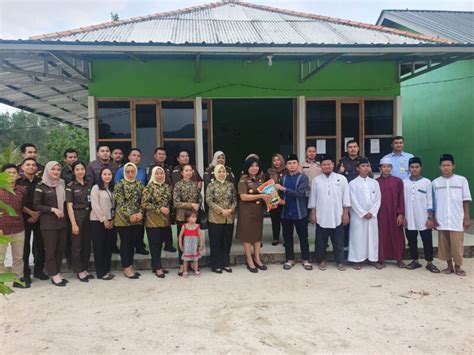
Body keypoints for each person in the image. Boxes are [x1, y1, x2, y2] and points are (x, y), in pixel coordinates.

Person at [308, 155, 350, 271]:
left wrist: (345, 214)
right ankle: (321, 260)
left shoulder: (341, 179)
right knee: (321, 241)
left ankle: (340, 261)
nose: (327, 166)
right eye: (324, 164)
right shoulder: (316, 180)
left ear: (333, 165)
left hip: (338, 215)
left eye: (329, 164)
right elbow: (313, 199)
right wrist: (313, 214)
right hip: (321, 215)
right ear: (321, 167)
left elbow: (346, 198)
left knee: (338, 241)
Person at [432, 154, 471, 276]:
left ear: (453, 166)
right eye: (443, 165)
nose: (446, 167)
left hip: (456, 218)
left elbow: (465, 200)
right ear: (440, 167)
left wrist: (467, 217)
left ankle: (458, 266)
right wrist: (433, 218)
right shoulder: (435, 183)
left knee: (457, 244)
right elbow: (432, 203)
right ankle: (449, 266)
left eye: (448, 165)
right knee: (444, 245)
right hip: (441, 218)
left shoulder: (461, 180)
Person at [33, 161, 68, 287]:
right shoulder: (41, 185)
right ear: (48, 170)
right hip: (48, 224)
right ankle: (53, 274)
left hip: (62, 222)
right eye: (53, 169)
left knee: (60, 249)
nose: (56, 172)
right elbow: (36, 205)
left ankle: (57, 271)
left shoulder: (62, 184)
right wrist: (52, 209)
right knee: (51, 250)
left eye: (58, 169)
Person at [403, 157, 440, 273]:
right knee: (412, 239)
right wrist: (403, 216)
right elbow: (401, 201)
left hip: (424, 217)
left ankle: (430, 262)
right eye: (412, 167)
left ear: (421, 168)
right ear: (409, 168)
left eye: (417, 167)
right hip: (409, 217)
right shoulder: (404, 182)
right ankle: (415, 260)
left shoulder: (427, 182)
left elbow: (431, 201)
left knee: (427, 240)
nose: (414, 169)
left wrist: (430, 218)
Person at [274, 154, 311, 271]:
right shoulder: (283, 178)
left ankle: (306, 259)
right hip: (286, 213)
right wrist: (276, 200)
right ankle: (290, 259)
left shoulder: (303, 178)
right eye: (289, 163)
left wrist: (283, 189)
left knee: (303, 237)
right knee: (287, 237)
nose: (292, 165)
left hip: (300, 213)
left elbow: (299, 194)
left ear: (298, 165)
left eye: (294, 163)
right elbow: (277, 194)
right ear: (286, 165)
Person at [236, 157, 272, 273]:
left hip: (258, 210)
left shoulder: (261, 178)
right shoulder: (243, 179)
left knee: (257, 236)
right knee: (247, 236)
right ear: (247, 167)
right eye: (251, 166)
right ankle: (249, 259)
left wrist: (272, 201)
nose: (254, 168)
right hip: (246, 211)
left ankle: (257, 258)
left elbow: (268, 192)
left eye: (256, 166)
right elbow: (243, 197)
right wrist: (261, 196)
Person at [17, 158, 48, 284]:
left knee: (40, 245)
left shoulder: (42, 182)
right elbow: (17, 202)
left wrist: (38, 213)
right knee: (24, 247)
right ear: (22, 167)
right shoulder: (18, 182)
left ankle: (39, 271)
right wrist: (31, 213)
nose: (31, 167)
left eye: (33, 165)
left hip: (40, 217)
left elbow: (46, 199)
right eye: (28, 165)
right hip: (24, 217)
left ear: (37, 168)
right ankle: (25, 274)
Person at [348, 158, 382, 270]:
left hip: (372, 216)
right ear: (358, 168)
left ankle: (372, 259)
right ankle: (356, 260)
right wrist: (363, 213)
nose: (365, 168)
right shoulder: (352, 184)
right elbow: (352, 201)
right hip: (358, 216)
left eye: (367, 166)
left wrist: (372, 212)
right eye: (363, 166)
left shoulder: (374, 182)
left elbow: (378, 199)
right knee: (357, 237)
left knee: (372, 238)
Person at [114, 148, 148, 255]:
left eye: (138, 156)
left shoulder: (142, 171)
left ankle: (139, 247)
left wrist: (140, 212)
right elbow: (118, 193)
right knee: (126, 241)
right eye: (134, 155)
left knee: (137, 234)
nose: (136, 157)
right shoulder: (121, 171)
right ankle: (127, 263)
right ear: (129, 157)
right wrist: (130, 213)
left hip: (138, 211)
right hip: (124, 213)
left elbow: (144, 192)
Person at [114, 162, 144, 279]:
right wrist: (130, 214)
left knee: (132, 243)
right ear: (124, 173)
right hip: (123, 219)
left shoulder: (139, 184)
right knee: (125, 244)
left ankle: (130, 265)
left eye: (132, 172)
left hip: (137, 218)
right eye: (128, 172)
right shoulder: (120, 184)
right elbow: (120, 202)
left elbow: (143, 200)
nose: (130, 174)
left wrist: (140, 213)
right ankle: (126, 267)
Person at [141, 166, 173, 278]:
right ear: (153, 175)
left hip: (164, 221)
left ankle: (156, 266)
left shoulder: (167, 187)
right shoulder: (148, 187)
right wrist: (159, 209)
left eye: (162, 173)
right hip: (152, 221)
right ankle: (158, 268)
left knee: (160, 244)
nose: (160, 175)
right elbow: (144, 204)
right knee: (154, 245)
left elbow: (169, 202)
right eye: (157, 174)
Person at [0, 164, 28, 288]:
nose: (11, 175)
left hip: (18, 228)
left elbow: (21, 208)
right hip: (2, 229)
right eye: (8, 173)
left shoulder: (22, 190)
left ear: (18, 175)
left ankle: (18, 279)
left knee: (18, 256)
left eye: (14, 173)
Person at [206, 164, 237, 274]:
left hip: (229, 218)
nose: (222, 174)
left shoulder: (230, 185)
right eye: (219, 172)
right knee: (216, 242)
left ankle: (225, 263)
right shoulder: (211, 185)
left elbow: (234, 199)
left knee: (227, 241)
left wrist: (231, 209)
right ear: (215, 173)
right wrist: (221, 210)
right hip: (215, 218)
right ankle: (216, 264)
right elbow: (209, 201)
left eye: (223, 171)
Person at [66, 161, 93, 282]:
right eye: (77, 169)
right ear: (73, 171)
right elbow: (69, 206)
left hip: (89, 215)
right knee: (77, 245)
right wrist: (73, 224)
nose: (80, 171)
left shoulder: (89, 184)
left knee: (87, 244)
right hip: (77, 215)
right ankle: (79, 270)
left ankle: (85, 268)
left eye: (82, 169)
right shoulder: (71, 186)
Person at [173, 164, 202, 276]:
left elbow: (199, 198)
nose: (189, 172)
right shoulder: (178, 185)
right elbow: (176, 203)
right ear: (182, 172)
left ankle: (191, 263)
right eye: (186, 170)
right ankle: (182, 264)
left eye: (191, 170)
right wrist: (191, 205)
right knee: (183, 241)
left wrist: (199, 203)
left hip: (193, 218)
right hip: (182, 217)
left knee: (193, 241)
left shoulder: (194, 184)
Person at [377, 157, 406, 268]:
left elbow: (401, 198)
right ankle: (381, 258)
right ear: (380, 168)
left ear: (391, 168)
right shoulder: (376, 182)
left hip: (395, 214)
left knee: (397, 236)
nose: (386, 169)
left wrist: (401, 214)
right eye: (384, 167)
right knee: (381, 235)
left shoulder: (398, 181)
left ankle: (399, 259)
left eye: (388, 167)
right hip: (381, 214)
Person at [145, 147, 175, 253]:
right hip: (153, 212)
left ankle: (169, 245)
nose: (161, 156)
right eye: (159, 154)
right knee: (155, 241)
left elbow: (171, 182)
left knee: (167, 229)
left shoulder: (169, 168)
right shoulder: (150, 168)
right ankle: (156, 266)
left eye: (163, 154)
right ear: (155, 156)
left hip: (166, 207)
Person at [89, 168, 115, 280]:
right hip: (97, 221)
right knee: (99, 247)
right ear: (100, 176)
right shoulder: (96, 188)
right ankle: (100, 273)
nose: (107, 176)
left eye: (109, 174)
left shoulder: (112, 188)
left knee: (107, 247)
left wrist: (112, 220)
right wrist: (103, 219)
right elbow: (94, 205)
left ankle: (107, 269)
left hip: (110, 221)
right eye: (105, 174)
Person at [267, 153, 287, 246]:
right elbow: (267, 186)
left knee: (285, 220)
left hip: (285, 198)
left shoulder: (287, 171)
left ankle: (286, 239)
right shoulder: (269, 172)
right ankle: (276, 238)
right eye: (274, 160)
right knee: (275, 219)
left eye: (278, 160)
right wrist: (275, 198)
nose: (276, 162)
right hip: (273, 197)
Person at [178, 210, 204, 278]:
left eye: (195, 217)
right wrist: (180, 245)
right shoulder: (184, 226)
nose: (195, 218)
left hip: (194, 245)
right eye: (193, 217)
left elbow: (200, 236)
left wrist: (201, 244)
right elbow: (180, 236)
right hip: (187, 246)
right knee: (185, 260)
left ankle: (196, 270)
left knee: (195, 259)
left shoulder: (197, 226)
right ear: (187, 218)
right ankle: (185, 271)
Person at [299, 146, 322, 218]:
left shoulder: (320, 165)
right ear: (306, 153)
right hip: (306, 194)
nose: (311, 153)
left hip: (318, 195)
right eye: (309, 151)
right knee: (305, 217)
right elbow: (300, 179)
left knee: (318, 216)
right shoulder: (301, 165)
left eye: (313, 151)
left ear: (316, 153)